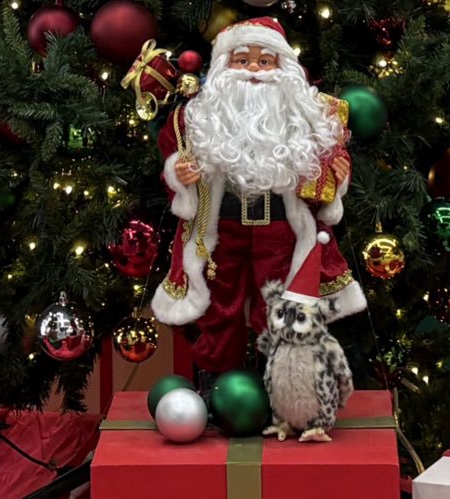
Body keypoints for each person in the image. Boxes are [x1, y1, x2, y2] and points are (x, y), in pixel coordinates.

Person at [151, 17, 366, 377]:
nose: (253, 69)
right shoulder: (196, 118)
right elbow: (173, 160)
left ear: (283, 68)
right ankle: (217, 378)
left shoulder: (306, 118)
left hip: (281, 230)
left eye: (265, 61)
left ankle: (280, 380)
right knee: (218, 307)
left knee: (280, 304)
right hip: (221, 230)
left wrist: (337, 179)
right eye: (242, 60)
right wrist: (180, 175)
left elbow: (326, 168)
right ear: (224, 66)